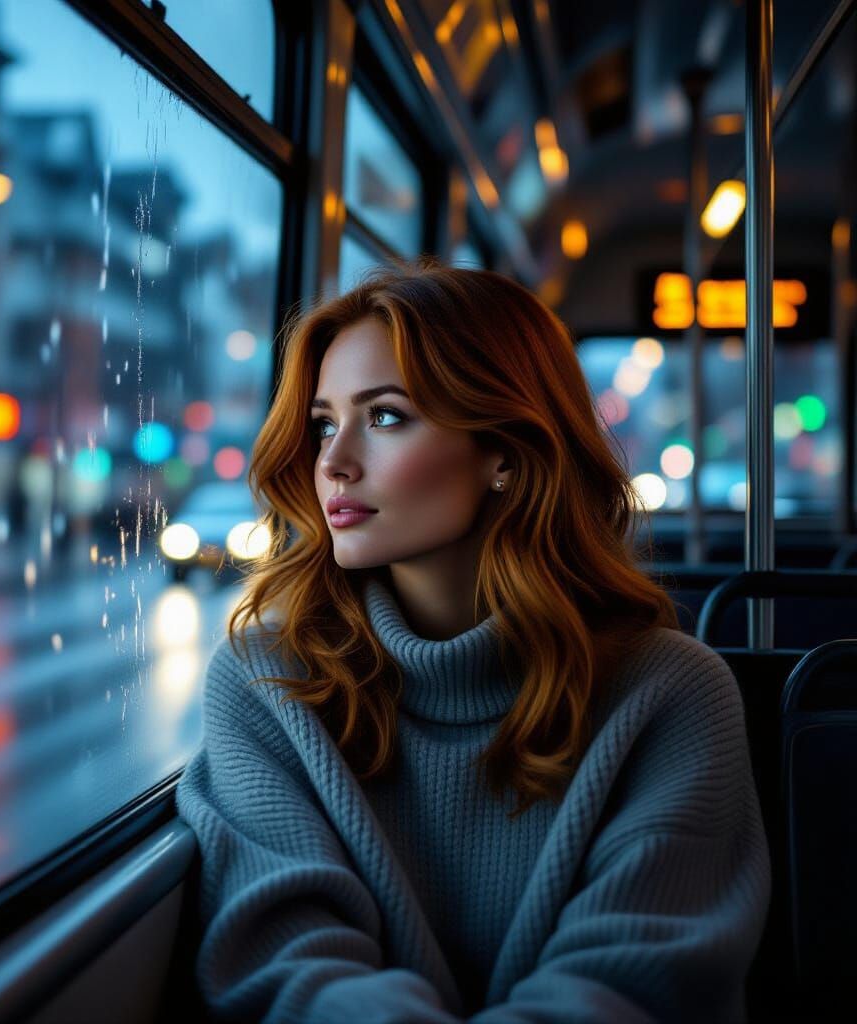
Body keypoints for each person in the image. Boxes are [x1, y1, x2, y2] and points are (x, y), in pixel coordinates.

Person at [174, 261, 770, 1023]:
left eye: (384, 416)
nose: (331, 462)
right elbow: (289, 965)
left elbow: (635, 984)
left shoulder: (671, 692)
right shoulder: (268, 680)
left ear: (506, 452)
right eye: (324, 423)